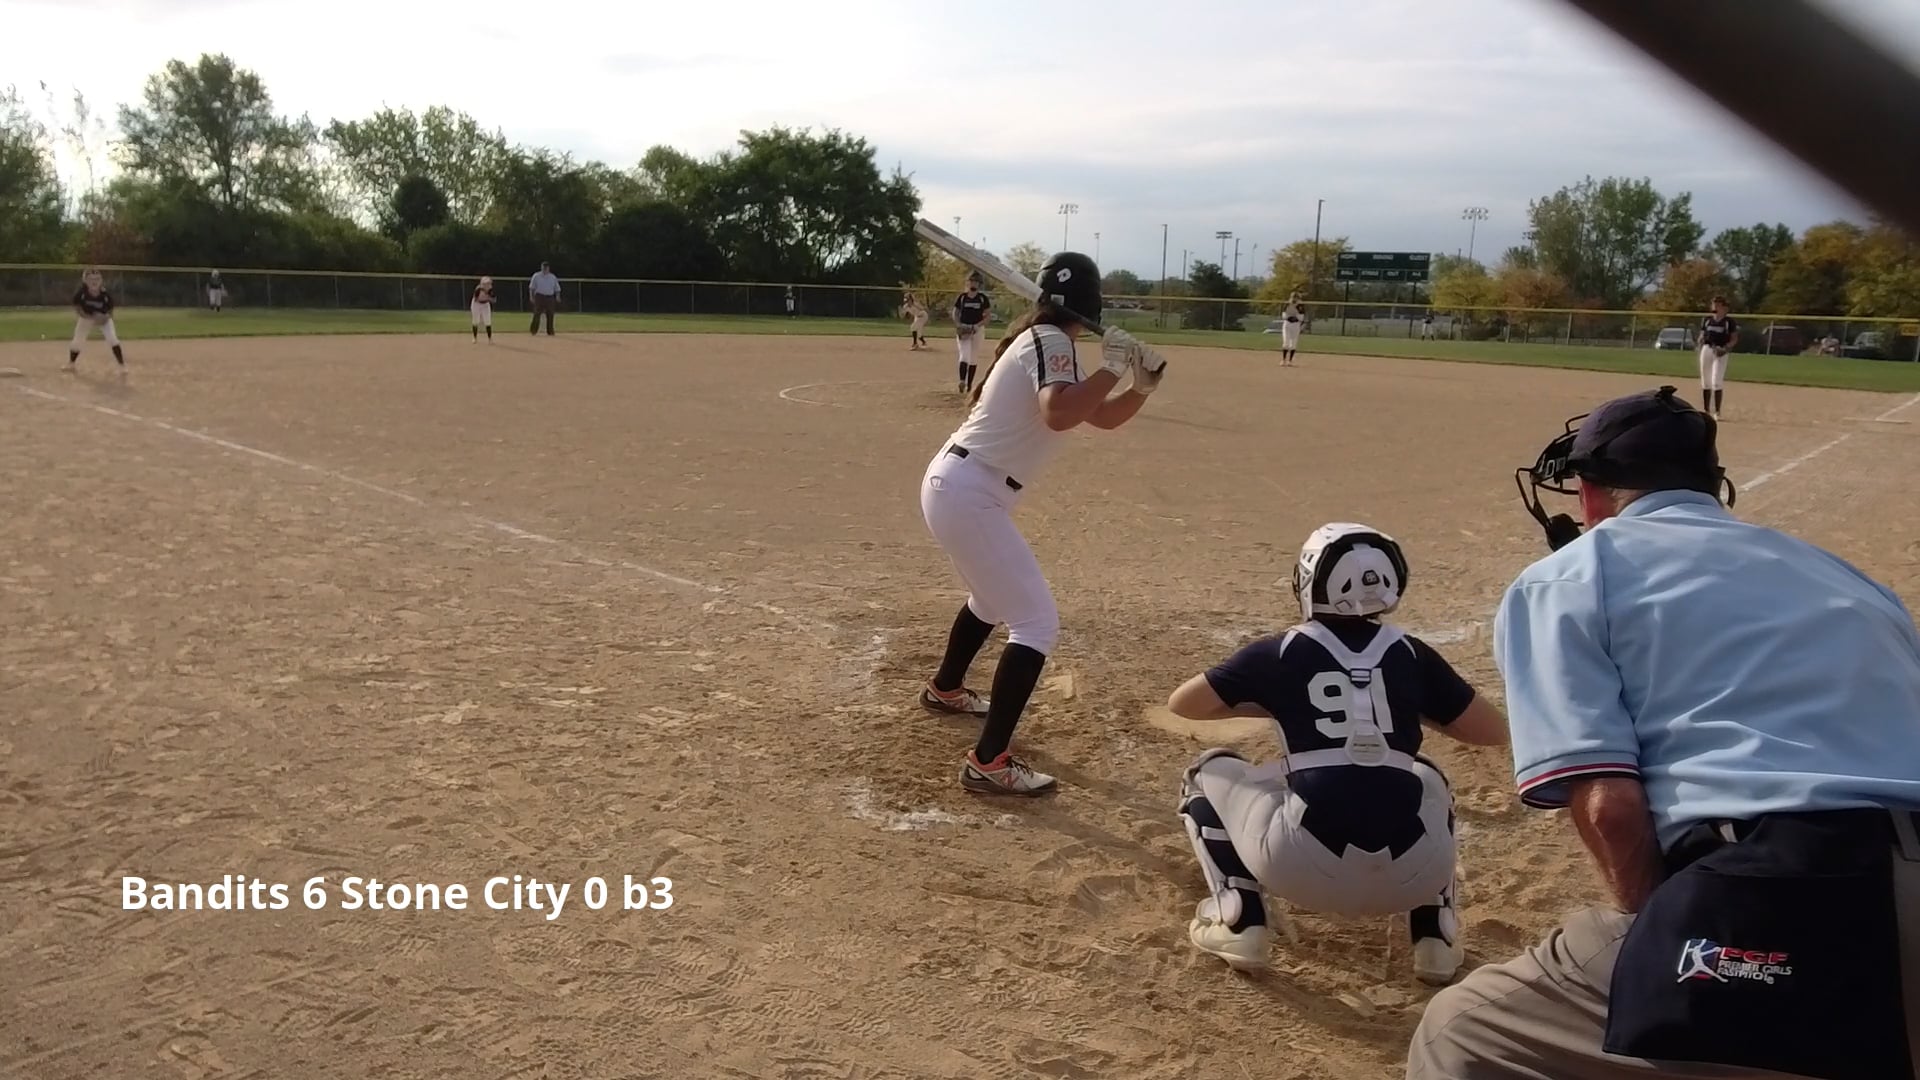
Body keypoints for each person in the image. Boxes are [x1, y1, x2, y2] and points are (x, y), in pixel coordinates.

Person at [1408, 385, 1920, 1080]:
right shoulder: (1849, 578)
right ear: (1715, 487)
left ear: (1589, 493)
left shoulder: (1569, 577)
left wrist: (1667, 945)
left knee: (1464, 1031)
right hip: (1873, 873)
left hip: (1784, 894)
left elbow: (1612, 810)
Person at [1165, 523, 1509, 984]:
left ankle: (1239, 921)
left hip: (1300, 867)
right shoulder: (1412, 653)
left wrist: (1273, 702)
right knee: (1428, 776)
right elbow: (1492, 731)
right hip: (1416, 873)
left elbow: (1184, 704)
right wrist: (1407, 710)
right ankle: (1436, 940)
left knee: (1207, 771)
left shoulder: (1279, 651)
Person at [917, 252, 1166, 795]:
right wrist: (1112, 367)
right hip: (971, 491)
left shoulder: (1045, 341)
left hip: (960, 486)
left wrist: (1138, 388)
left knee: (991, 600)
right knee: (1036, 624)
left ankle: (946, 689)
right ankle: (989, 762)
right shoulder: (1051, 340)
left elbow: (1097, 415)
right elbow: (1059, 413)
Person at [68, 269, 126, 371]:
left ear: (101, 281)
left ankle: (122, 365)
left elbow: (110, 311)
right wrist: (89, 317)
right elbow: (77, 308)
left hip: (103, 318)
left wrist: (104, 318)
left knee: (112, 339)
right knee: (77, 340)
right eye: (91, 279)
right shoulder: (81, 293)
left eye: (97, 279)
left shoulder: (105, 295)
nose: (94, 282)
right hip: (86, 317)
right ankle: (71, 364)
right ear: (85, 281)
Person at [1697, 296, 1738, 419]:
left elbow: (1734, 339)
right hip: (1707, 349)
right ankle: (1706, 411)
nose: (1715, 306)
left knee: (1716, 381)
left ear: (1724, 307)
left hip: (1720, 351)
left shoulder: (1728, 322)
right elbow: (1702, 335)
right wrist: (1700, 341)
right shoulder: (1707, 320)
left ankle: (1717, 412)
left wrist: (1725, 348)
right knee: (1705, 381)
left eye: (1718, 304)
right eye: (1714, 304)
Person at [951, 272, 993, 394]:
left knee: (973, 357)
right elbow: (955, 312)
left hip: (977, 330)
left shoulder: (982, 298)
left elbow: (988, 316)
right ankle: (962, 381)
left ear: (979, 284)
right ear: (967, 283)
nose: (973, 284)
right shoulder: (962, 297)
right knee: (964, 355)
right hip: (964, 328)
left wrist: (978, 325)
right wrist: (958, 324)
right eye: (971, 281)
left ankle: (969, 385)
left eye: (976, 282)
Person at [529, 262, 561, 336]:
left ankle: (550, 331)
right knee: (537, 314)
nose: (545, 269)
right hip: (539, 296)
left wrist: (557, 296)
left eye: (546, 268)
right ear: (541, 267)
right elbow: (532, 288)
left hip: (549, 297)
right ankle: (533, 331)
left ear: (549, 268)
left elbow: (557, 288)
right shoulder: (536, 276)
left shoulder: (552, 277)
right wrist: (531, 296)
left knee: (550, 314)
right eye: (543, 267)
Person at [1279, 290, 1305, 366]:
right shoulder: (1287, 304)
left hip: (1296, 325)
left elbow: (1301, 317)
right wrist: (1289, 317)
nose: (1294, 299)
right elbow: (1284, 315)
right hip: (1287, 324)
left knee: (1293, 343)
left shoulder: (1300, 305)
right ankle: (1283, 360)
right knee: (1286, 342)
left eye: (1295, 297)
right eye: (1293, 297)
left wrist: (1296, 317)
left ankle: (1290, 361)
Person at [471, 276, 494, 342]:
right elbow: (476, 299)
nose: (488, 285)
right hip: (476, 304)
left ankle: (490, 338)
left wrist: (490, 298)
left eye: (488, 283)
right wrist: (487, 297)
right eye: (486, 283)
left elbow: (494, 299)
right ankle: (475, 338)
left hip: (485, 304)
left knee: (487, 321)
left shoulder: (490, 290)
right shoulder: (478, 289)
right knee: (475, 321)